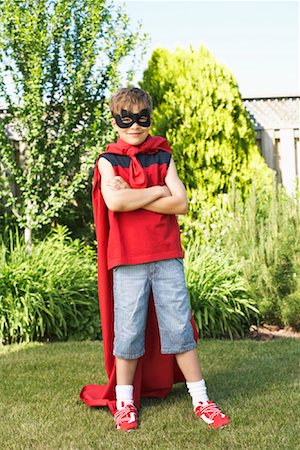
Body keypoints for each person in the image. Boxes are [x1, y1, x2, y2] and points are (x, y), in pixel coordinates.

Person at [81, 86, 230, 431]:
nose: (134, 125)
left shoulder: (163, 155)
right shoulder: (108, 160)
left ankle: (201, 399)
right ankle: (125, 403)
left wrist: (136, 194)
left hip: (166, 255)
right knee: (128, 331)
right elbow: (115, 203)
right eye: (126, 118)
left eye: (141, 118)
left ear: (150, 118)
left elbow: (181, 203)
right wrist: (157, 191)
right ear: (115, 121)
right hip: (128, 259)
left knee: (179, 327)